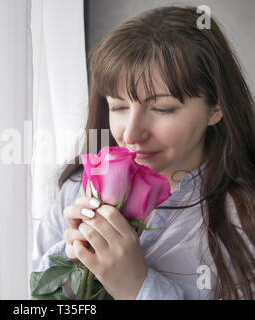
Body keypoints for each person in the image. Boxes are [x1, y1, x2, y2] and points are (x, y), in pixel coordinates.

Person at [31, 5, 255, 299]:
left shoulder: (243, 218)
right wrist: (73, 264)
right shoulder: (77, 189)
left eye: (162, 109)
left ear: (216, 107)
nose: (131, 133)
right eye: (119, 107)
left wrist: (136, 287)